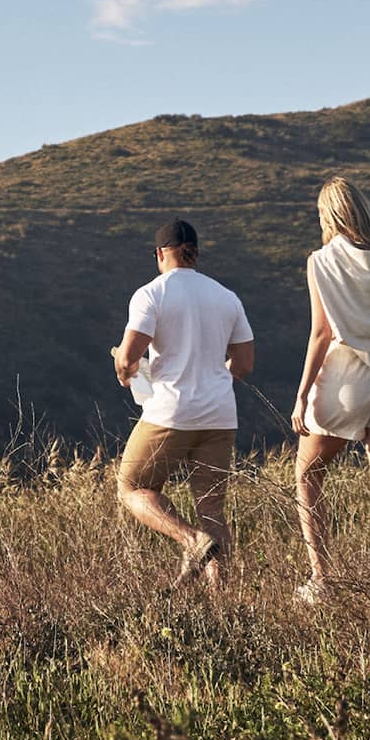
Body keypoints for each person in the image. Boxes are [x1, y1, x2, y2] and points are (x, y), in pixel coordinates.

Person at [291, 177, 370, 601]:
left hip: (344, 373)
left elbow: (321, 332)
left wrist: (302, 391)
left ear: (329, 215)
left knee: (308, 476)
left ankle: (322, 579)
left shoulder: (321, 260)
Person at [112, 218, 254, 589]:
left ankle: (190, 541)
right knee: (211, 508)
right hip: (220, 414)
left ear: (159, 254)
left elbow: (129, 356)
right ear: (196, 254)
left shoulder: (151, 294)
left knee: (131, 486)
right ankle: (223, 601)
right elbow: (244, 364)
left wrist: (126, 370)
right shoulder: (227, 296)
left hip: (170, 411)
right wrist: (212, 375)